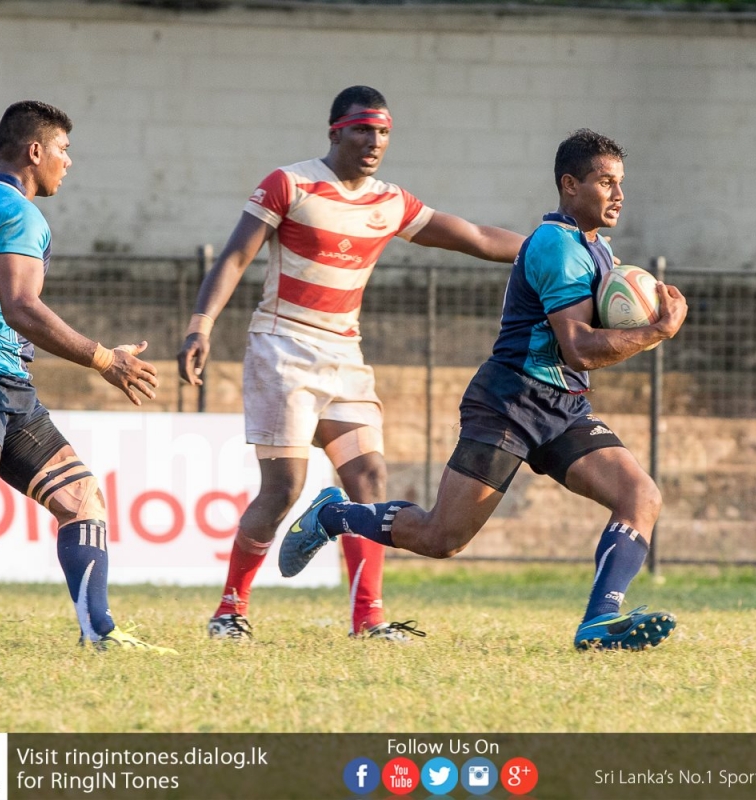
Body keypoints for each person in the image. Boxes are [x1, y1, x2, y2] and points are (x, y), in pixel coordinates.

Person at [279, 129, 688, 650]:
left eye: (620, 182)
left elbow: (585, 352)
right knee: (441, 538)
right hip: (510, 401)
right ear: (570, 185)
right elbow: (580, 348)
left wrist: (641, 322)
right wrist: (656, 331)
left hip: (563, 405)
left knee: (640, 496)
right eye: (605, 182)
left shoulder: (598, 249)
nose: (619, 194)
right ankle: (333, 514)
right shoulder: (558, 246)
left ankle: (599, 623)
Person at [179, 86, 523, 642]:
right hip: (282, 346)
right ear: (335, 131)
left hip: (345, 353)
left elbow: (477, 237)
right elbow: (236, 256)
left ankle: (368, 618)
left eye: (383, 132)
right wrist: (201, 324)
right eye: (363, 129)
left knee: (369, 478)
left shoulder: (391, 202)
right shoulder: (290, 184)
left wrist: (554, 248)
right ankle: (229, 610)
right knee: (284, 487)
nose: (374, 141)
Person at [0, 101, 174, 653]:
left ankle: (100, 633)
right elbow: (21, 306)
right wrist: (105, 360)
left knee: (81, 499)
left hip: (0, 385)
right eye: (63, 150)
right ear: (35, 151)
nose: (68, 162)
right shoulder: (16, 211)